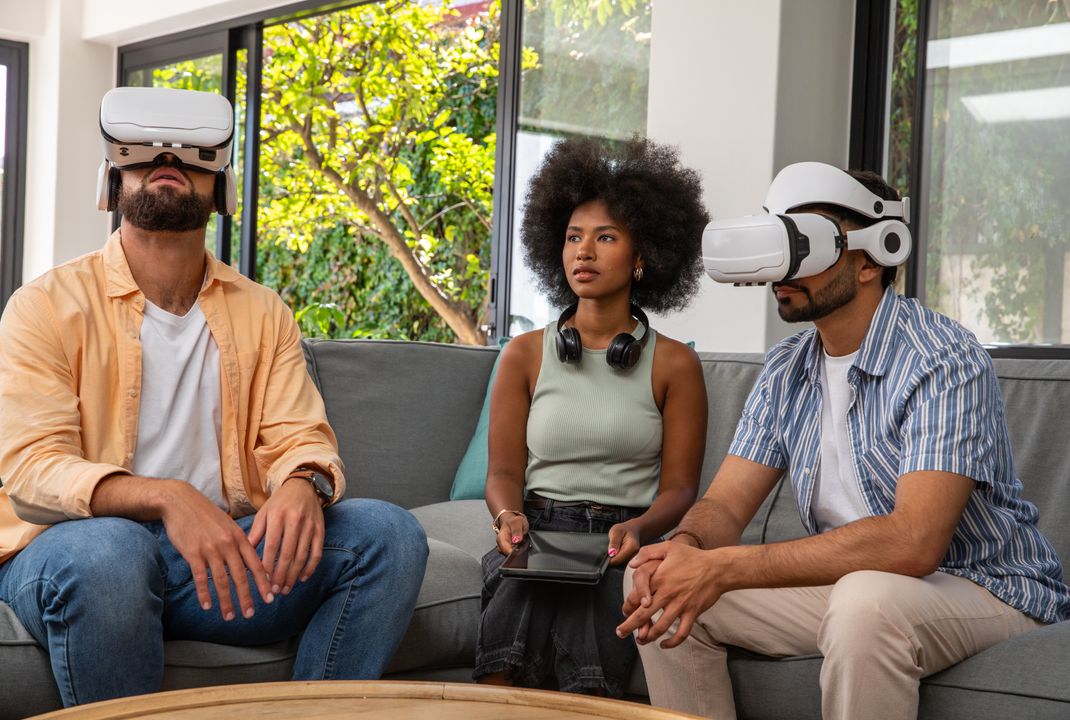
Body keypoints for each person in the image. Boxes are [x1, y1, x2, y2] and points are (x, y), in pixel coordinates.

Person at [0, 86, 428, 707]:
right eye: (146, 155)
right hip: (75, 554)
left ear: (222, 186)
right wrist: (168, 497)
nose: (167, 163)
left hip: (218, 564)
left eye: (189, 156)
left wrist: (304, 483)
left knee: (389, 534)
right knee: (112, 552)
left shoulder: (263, 312)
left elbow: (299, 437)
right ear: (113, 177)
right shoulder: (44, 306)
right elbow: (32, 470)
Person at [618, 163, 1070, 720]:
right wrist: (690, 548)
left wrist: (727, 567)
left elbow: (913, 543)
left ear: (870, 260)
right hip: (855, 585)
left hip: (982, 585)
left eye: (803, 245)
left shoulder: (942, 358)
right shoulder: (787, 367)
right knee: (656, 586)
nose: (783, 270)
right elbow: (726, 505)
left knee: (865, 605)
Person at [474, 136, 710, 697]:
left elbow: (680, 489)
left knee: (597, 631)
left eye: (606, 237)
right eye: (573, 237)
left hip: (623, 538)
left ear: (642, 255)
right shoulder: (524, 354)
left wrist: (639, 530)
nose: (584, 251)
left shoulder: (676, 364)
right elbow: (502, 473)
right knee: (515, 616)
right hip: (536, 530)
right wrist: (508, 516)